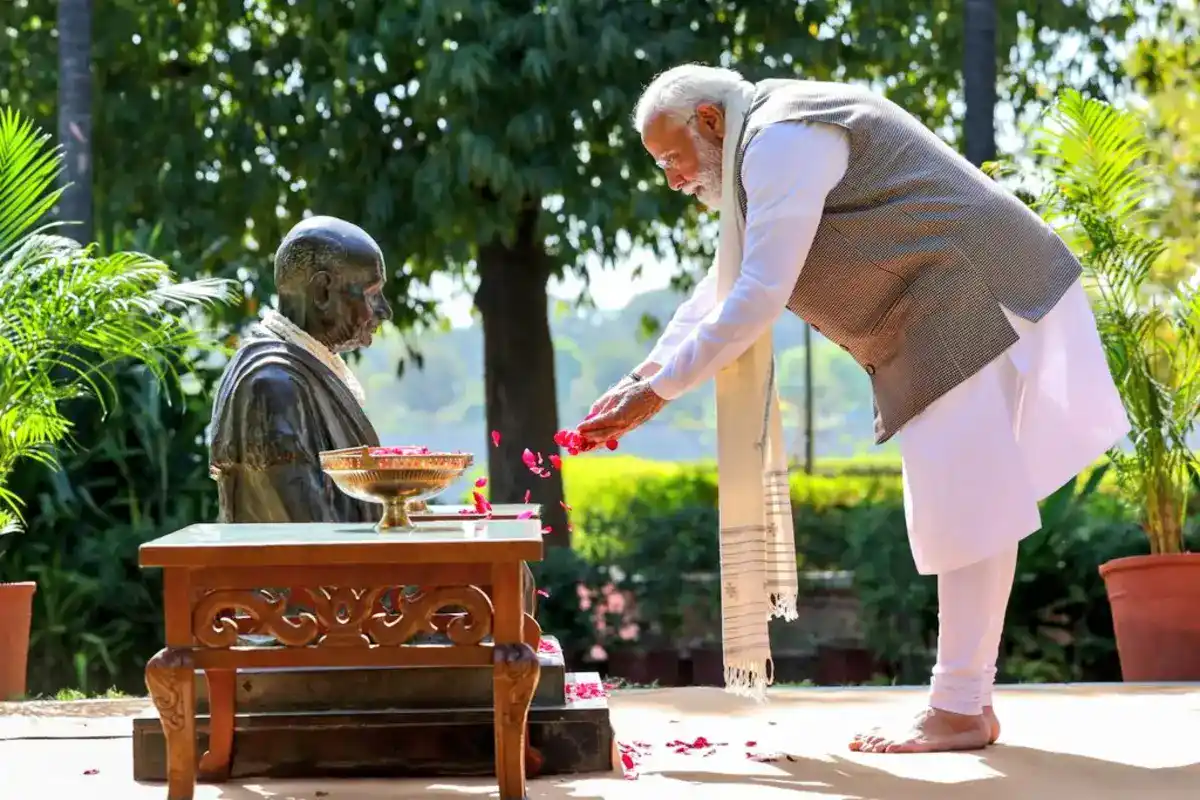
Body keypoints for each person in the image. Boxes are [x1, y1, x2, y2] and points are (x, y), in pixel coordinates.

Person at [577, 64, 1130, 753]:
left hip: (970, 295)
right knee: (968, 506)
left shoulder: (781, 138)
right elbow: (721, 287)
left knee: (968, 508)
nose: (673, 180)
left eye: (672, 159)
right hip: (955, 302)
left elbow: (757, 293)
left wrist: (657, 392)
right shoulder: (768, 138)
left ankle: (960, 709)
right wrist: (647, 373)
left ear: (711, 121)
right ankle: (965, 705)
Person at [209, 215, 393, 524]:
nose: (384, 310)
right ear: (322, 291)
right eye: (372, 294)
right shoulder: (273, 384)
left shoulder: (298, 370)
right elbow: (314, 536)